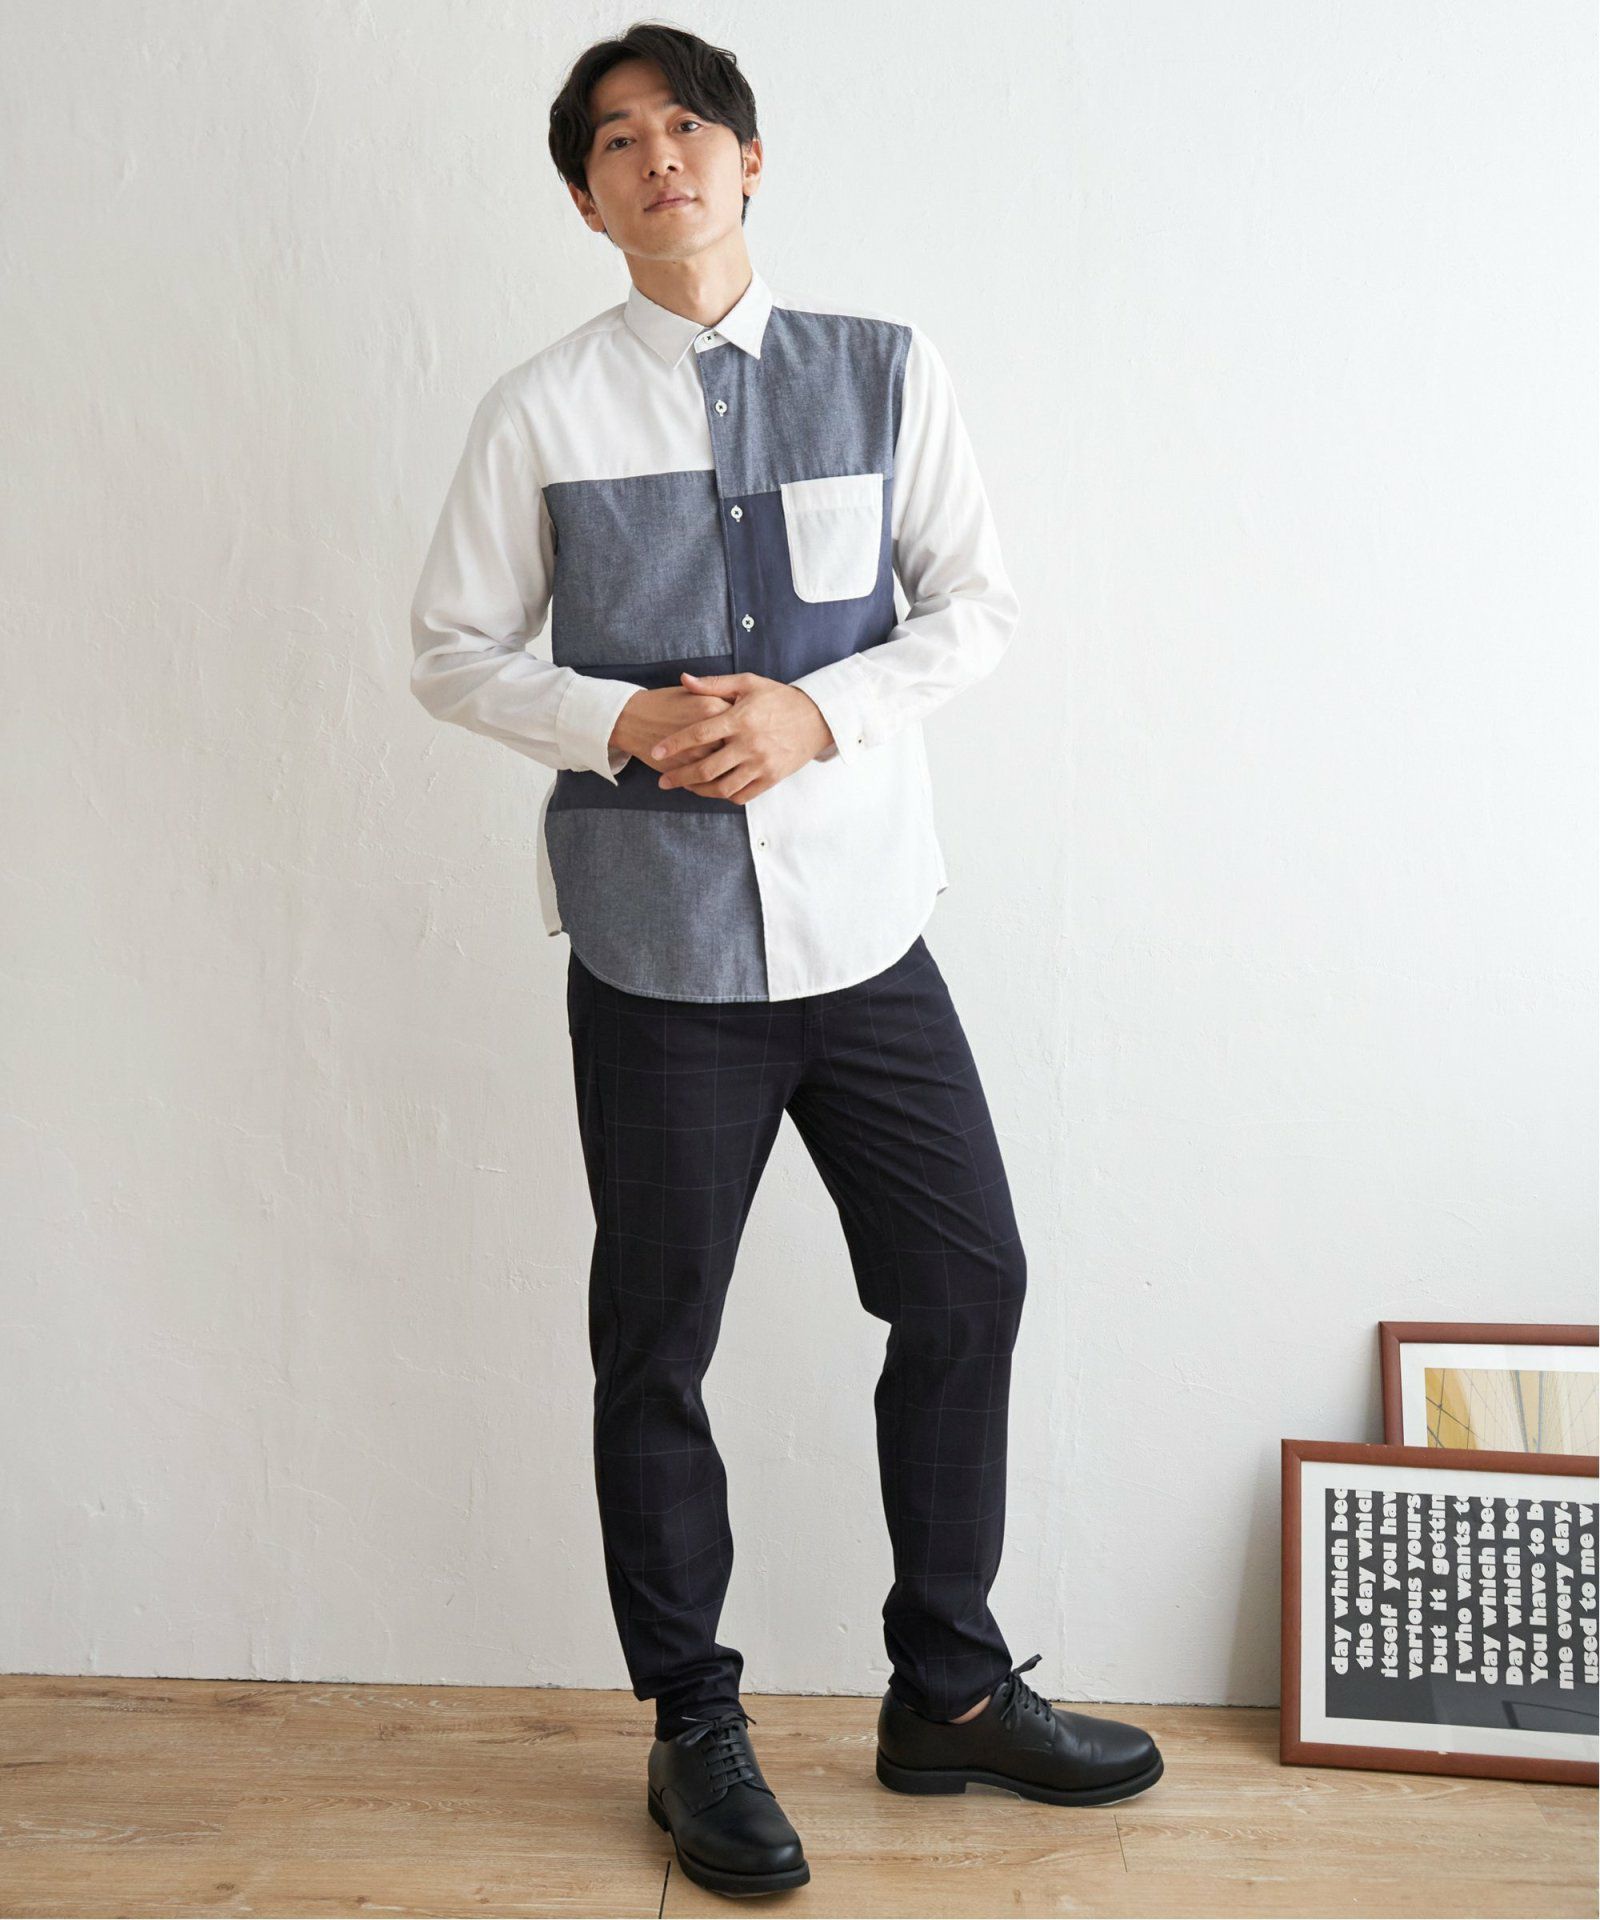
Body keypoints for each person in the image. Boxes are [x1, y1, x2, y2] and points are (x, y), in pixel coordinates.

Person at [409, 20, 1162, 1899]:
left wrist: (819, 715)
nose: (658, 155)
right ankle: (694, 1723)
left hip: (865, 929)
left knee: (967, 1281)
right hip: (658, 957)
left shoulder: (885, 370)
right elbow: (450, 648)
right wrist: (616, 721)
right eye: (616, 140)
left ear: (751, 160)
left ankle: (952, 1689)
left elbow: (974, 605)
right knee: (659, 1344)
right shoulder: (539, 412)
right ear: (585, 199)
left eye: (688, 125)